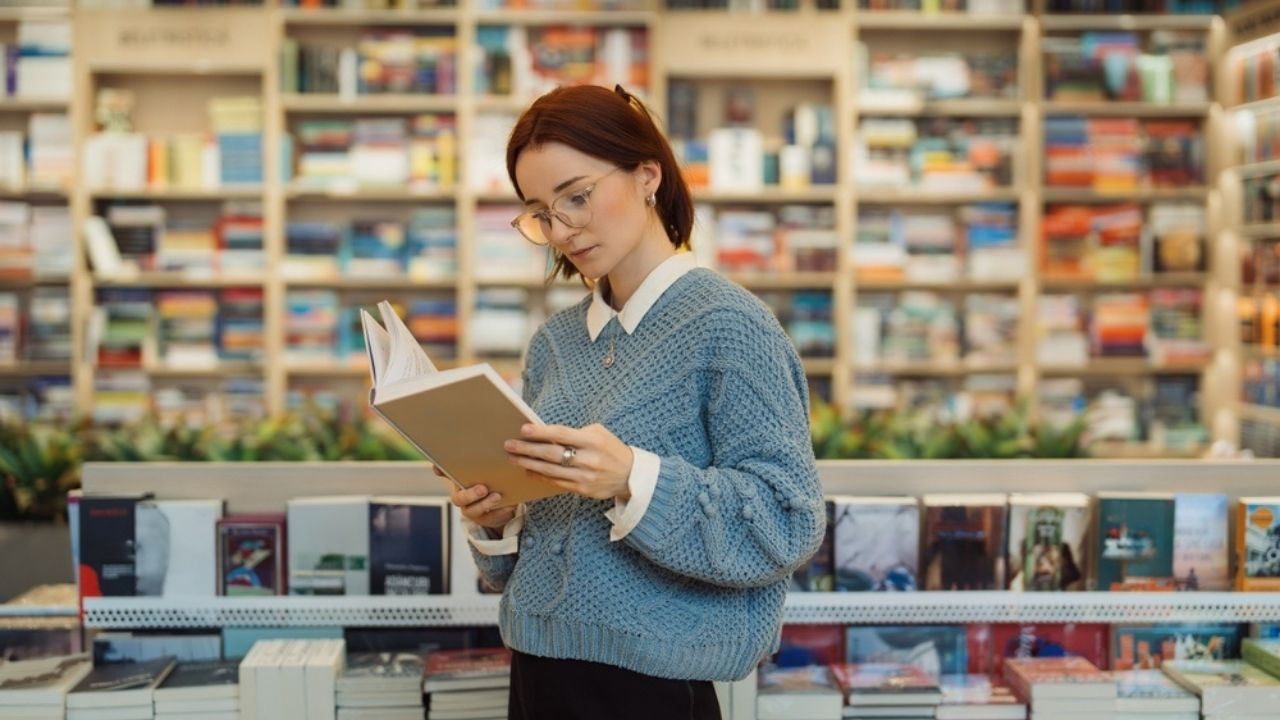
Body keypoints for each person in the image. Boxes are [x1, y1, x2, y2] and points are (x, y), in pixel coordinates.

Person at [444, 83, 826, 720]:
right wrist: (497, 515)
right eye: (539, 210)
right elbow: (523, 572)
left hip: (655, 688)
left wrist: (631, 478)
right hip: (537, 677)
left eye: (578, 195)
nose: (561, 228)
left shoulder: (730, 326)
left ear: (647, 175)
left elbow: (788, 521)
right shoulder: (555, 344)